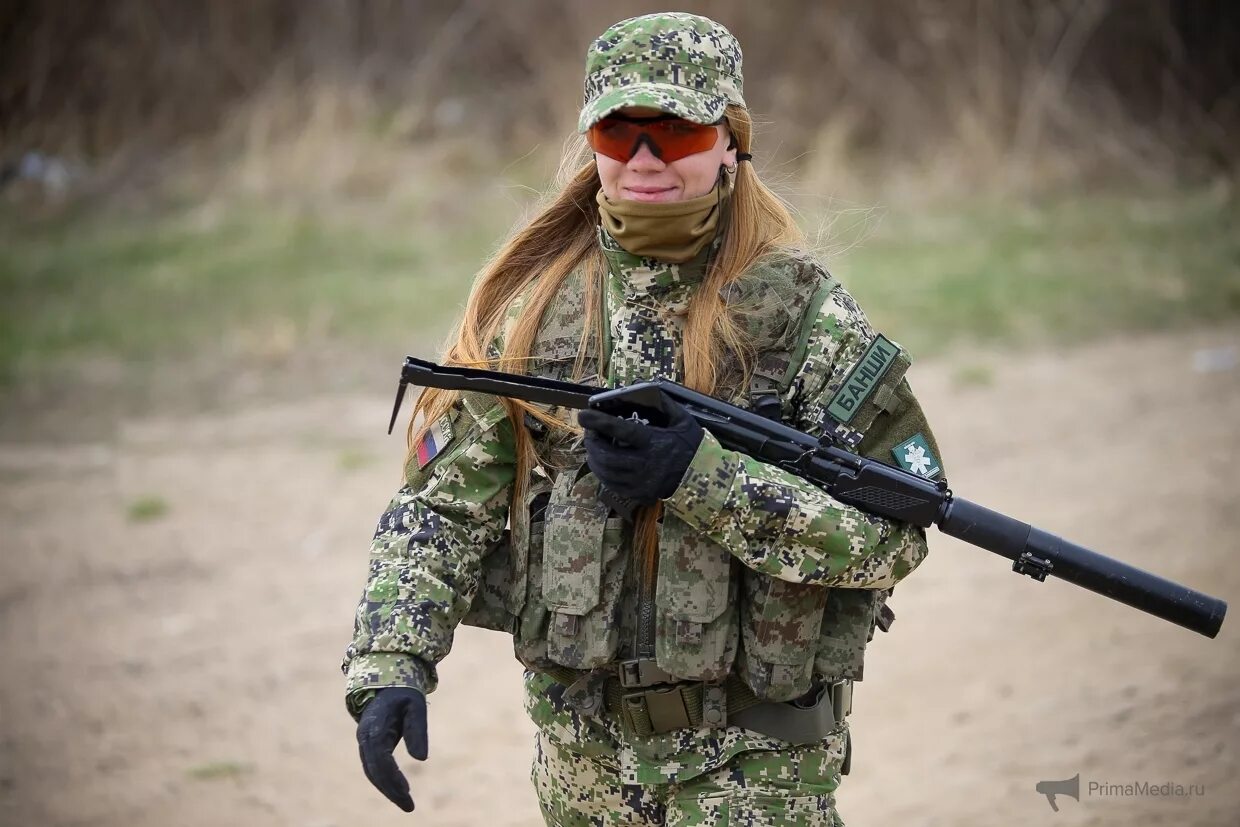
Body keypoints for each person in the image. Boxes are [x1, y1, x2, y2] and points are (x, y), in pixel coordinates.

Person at [343, 12, 944, 825]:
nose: (647, 160)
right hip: (581, 773)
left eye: (680, 133)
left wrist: (707, 482)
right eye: (621, 133)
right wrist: (392, 661)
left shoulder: (806, 320)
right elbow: (444, 504)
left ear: (732, 144)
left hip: (751, 773)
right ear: (591, 143)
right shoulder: (535, 312)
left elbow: (896, 533)